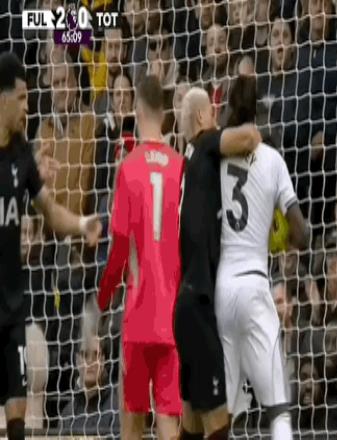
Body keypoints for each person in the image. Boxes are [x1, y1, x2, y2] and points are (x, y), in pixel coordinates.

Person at [0, 52, 102, 440]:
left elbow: (50, 211)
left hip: (13, 307)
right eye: (22, 98)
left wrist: (81, 223)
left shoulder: (24, 156)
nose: (29, 106)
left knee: (18, 411)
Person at [214, 75, 309, 439]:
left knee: (223, 411)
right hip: (254, 283)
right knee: (277, 407)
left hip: (222, 287)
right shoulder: (272, 160)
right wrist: (280, 236)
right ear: (258, 112)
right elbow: (301, 233)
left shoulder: (215, 157)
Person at [97, 75, 183, 440]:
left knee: (131, 418)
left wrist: (104, 298)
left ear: (136, 108)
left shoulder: (128, 166)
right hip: (171, 313)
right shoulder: (180, 165)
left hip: (137, 313)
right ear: (165, 113)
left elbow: (119, 246)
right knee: (168, 419)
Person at [175, 86, 261, 440]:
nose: (216, 117)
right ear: (201, 117)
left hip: (186, 306)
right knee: (217, 425)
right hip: (198, 305)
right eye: (212, 112)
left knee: (191, 425)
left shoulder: (189, 162)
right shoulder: (207, 143)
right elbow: (249, 139)